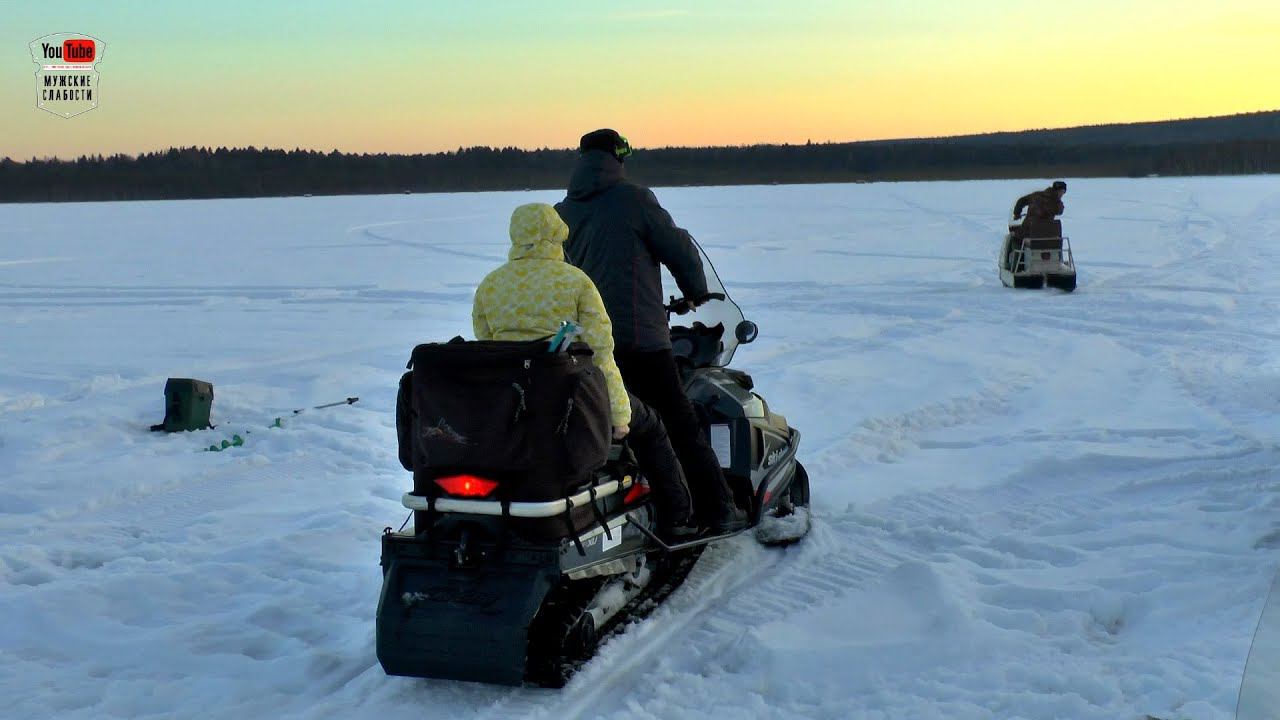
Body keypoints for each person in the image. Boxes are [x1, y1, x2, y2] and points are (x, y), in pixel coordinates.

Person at [555, 129, 748, 534]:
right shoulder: (635, 199)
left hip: (588, 346)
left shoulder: (563, 212)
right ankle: (716, 509)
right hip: (640, 339)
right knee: (679, 426)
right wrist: (695, 291)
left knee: (616, 425)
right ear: (618, 157)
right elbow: (677, 247)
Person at [472, 202, 695, 538]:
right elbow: (602, 355)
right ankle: (678, 517)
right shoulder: (576, 282)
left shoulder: (490, 286)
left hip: (517, 403)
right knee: (651, 426)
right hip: (571, 400)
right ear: (557, 234)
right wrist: (620, 415)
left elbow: (489, 348)